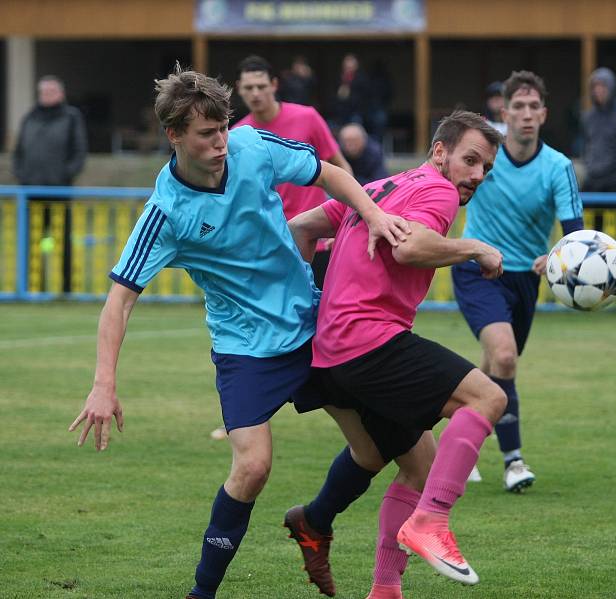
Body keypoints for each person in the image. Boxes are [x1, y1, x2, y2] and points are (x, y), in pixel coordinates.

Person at [67, 66, 408, 599]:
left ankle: (313, 523)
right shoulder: (165, 212)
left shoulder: (251, 144)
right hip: (245, 347)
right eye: (207, 133)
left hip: (308, 323)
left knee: (371, 453)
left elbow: (328, 173)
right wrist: (103, 384)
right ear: (174, 136)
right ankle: (202, 594)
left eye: (223, 127)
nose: (222, 141)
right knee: (252, 466)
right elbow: (119, 301)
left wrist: (373, 213)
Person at [285, 111, 507, 598]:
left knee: (415, 464)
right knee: (487, 399)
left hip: (330, 351)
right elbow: (410, 248)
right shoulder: (439, 190)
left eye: (486, 168)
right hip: (369, 343)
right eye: (470, 160)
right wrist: (475, 248)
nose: (476, 175)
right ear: (440, 152)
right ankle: (432, 520)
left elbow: (301, 227)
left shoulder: (381, 186)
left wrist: (309, 306)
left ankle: (382, 586)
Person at [452, 71, 584, 492]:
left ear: (543, 114)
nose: (526, 115)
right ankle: (513, 462)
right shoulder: (483, 159)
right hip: (478, 270)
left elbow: (576, 236)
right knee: (505, 358)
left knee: (493, 367)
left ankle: (459, 442)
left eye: (533, 107)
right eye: (518, 107)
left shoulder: (558, 167)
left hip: (526, 278)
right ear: (504, 112)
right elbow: (445, 186)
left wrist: (557, 256)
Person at [232, 55, 352, 289]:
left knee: (323, 319)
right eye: (249, 87)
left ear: (274, 85)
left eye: (261, 86)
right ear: (239, 90)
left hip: (315, 239)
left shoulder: (307, 117)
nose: (255, 93)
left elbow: (341, 167)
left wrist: (343, 221)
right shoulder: (237, 135)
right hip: (270, 245)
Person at [13, 75, 88, 293]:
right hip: (30, 191)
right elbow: (18, 151)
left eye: (51, 92)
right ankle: (32, 287)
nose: (46, 96)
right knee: (31, 241)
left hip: (59, 191)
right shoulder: (30, 117)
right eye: (43, 92)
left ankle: (66, 288)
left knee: (62, 241)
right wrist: (22, 175)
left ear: (61, 94)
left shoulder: (71, 117)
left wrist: (65, 176)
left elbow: (79, 151)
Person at [581, 67, 616, 193]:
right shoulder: (589, 117)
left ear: (612, 88)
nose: (599, 91)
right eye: (595, 87)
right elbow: (587, 144)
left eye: (603, 86)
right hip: (592, 179)